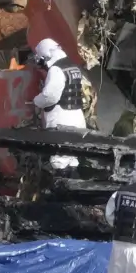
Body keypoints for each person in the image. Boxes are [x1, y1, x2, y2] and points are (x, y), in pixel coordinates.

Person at [32, 38, 88, 172]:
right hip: (77, 118)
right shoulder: (73, 66)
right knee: (72, 159)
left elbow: (50, 96)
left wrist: (36, 101)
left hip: (62, 120)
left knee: (59, 161)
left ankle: (60, 188)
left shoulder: (56, 69)